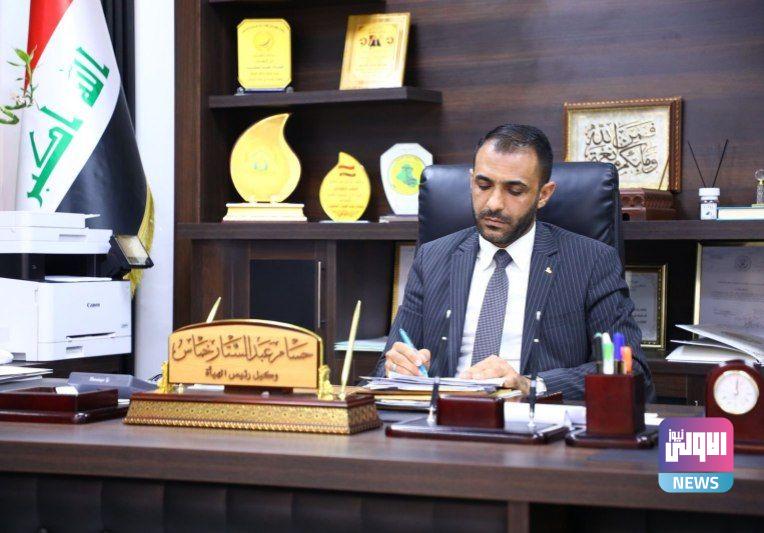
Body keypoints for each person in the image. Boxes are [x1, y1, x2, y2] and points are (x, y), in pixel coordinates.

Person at [374, 124, 655, 401]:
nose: (494, 203)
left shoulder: (591, 262)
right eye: (484, 186)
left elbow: (631, 372)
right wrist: (397, 368)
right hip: (443, 417)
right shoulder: (432, 258)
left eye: (515, 191)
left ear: (543, 194)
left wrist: (530, 385)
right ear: (471, 181)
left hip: (536, 422)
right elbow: (385, 368)